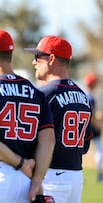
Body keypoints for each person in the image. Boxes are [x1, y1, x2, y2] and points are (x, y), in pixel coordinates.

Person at [0, 28, 55, 203]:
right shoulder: (36, 93)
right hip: (26, 182)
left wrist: (22, 163)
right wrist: (37, 180)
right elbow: (48, 140)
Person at [25, 35, 93, 203]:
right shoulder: (82, 95)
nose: (34, 62)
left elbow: (29, 142)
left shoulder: (45, 94)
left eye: (37, 57)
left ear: (52, 58)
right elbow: (84, 146)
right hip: (76, 176)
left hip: (51, 177)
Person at [84, 73, 103, 182]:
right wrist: (99, 123)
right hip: (91, 128)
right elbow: (91, 116)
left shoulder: (85, 95)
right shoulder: (90, 97)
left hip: (84, 128)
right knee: (100, 151)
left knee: (81, 152)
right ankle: (99, 175)